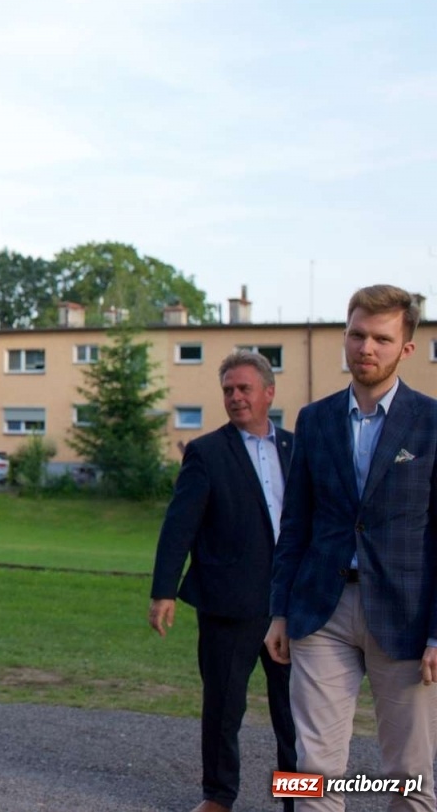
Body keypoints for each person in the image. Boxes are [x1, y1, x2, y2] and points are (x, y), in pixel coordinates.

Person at [266, 284, 437, 812]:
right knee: (313, 769)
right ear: (344, 336)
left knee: (409, 773)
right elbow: (295, 523)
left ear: (405, 348)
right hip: (321, 609)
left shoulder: (432, 423)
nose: (367, 348)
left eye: (381, 339)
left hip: (407, 618)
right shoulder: (314, 420)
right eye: (357, 334)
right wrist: (279, 612)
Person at [150, 350, 297, 812]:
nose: (235, 398)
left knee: (296, 716)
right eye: (228, 390)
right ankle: (218, 796)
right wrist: (163, 591)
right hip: (229, 603)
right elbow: (180, 526)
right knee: (223, 710)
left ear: (269, 393)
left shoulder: (299, 447)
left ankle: (298, 799)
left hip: (291, 606)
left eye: (244, 388)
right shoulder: (207, 453)